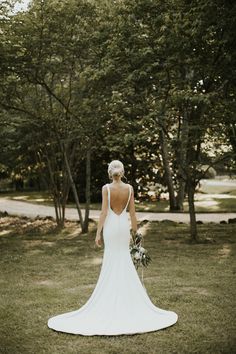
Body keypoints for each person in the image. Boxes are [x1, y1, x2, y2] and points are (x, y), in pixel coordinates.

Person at [48, 160, 178, 335]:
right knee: (124, 259)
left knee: (111, 260)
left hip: (110, 227)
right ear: (122, 173)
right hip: (123, 227)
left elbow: (103, 212)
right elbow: (132, 213)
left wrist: (98, 233)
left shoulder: (106, 189)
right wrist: (135, 233)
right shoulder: (129, 189)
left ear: (110, 173)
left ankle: (110, 298)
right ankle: (128, 300)